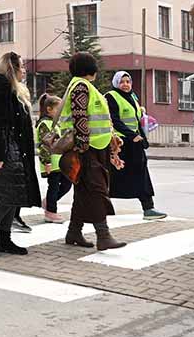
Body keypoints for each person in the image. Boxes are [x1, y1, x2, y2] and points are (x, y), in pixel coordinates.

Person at [0, 52, 40, 256]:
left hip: (13, 147)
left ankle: (4, 237)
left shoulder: (12, 88)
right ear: (12, 68)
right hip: (2, 148)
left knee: (17, 193)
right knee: (8, 195)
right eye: (21, 66)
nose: (24, 70)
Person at [62, 52, 127, 251]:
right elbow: (80, 116)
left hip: (94, 147)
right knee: (98, 190)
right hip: (88, 149)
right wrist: (82, 148)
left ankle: (74, 231)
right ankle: (103, 235)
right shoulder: (81, 86)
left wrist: (112, 138)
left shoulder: (83, 86)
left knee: (83, 191)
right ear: (92, 68)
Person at [106, 71, 166, 220]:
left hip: (134, 143)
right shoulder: (111, 97)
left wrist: (143, 139)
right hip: (120, 144)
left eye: (128, 81)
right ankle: (103, 204)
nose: (125, 85)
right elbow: (114, 120)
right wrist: (132, 135)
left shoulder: (133, 96)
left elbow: (137, 120)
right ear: (116, 83)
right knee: (113, 176)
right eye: (122, 82)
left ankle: (148, 207)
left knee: (141, 174)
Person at [36, 94, 69, 223]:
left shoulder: (56, 123)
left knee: (66, 185)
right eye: (58, 108)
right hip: (51, 163)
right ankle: (51, 212)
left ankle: (48, 202)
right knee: (53, 187)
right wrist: (47, 162)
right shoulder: (44, 124)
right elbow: (45, 144)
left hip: (59, 162)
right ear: (49, 109)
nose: (60, 111)